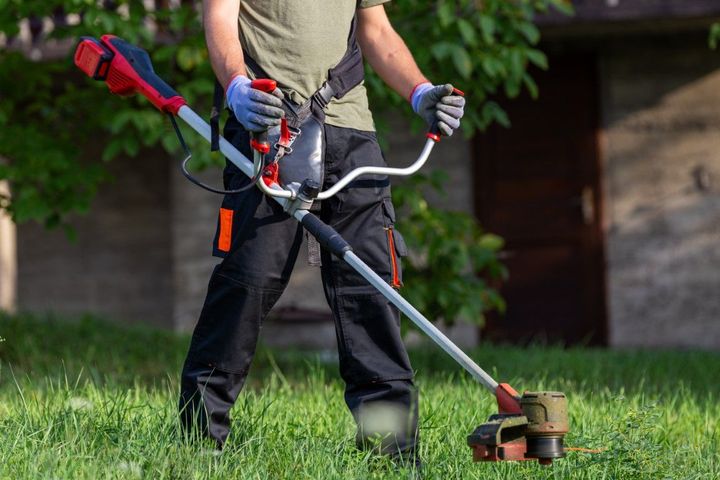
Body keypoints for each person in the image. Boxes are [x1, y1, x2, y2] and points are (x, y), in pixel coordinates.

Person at [179, 0, 466, 464]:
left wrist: (420, 92)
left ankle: (390, 453)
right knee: (246, 284)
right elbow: (219, 21)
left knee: (371, 288)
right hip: (268, 127)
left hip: (351, 132)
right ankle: (199, 445)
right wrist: (236, 87)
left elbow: (376, 30)